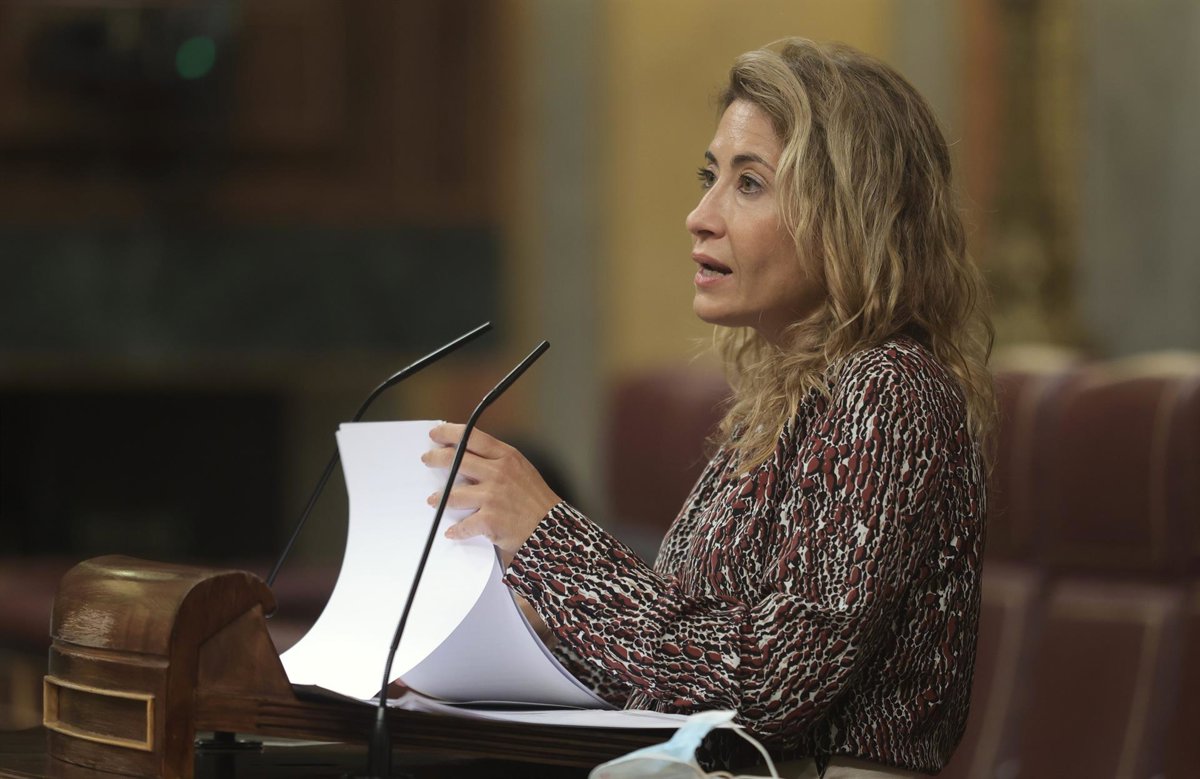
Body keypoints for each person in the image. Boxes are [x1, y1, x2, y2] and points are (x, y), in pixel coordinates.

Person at [422, 38, 993, 779]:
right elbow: (688, 664)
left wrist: (548, 539)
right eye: (709, 176)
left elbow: (768, 687)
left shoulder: (890, 390)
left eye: (749, 183)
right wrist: (531, 634)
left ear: (850, 213)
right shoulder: (785, 401)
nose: (699, 215)